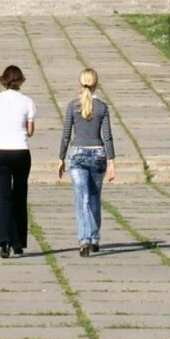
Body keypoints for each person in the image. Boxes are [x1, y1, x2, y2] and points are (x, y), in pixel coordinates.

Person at [56, 68, 116, 256]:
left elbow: (66, 135)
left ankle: (85, 240)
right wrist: (112, 161)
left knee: (82, 198)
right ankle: (94, 237)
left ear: (79, 84)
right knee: (94, 197)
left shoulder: (72, 106)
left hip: (77, 154)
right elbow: (107, 137)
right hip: (98, 154)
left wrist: (61, 158)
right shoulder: (103, 107)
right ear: (96, 83)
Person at [0, 65, 36, 258]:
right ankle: (19, 243)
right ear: (21, 81)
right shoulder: (28, 102)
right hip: (21, 152)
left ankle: (4, 242)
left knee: (4, 197)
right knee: (20, 195)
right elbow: (30, 131)